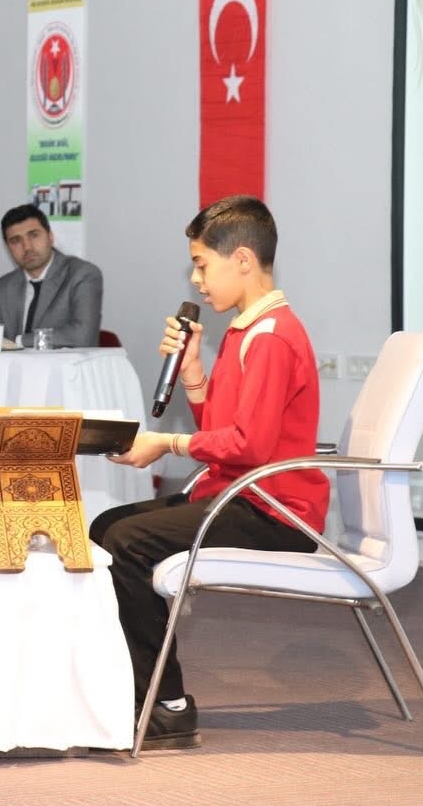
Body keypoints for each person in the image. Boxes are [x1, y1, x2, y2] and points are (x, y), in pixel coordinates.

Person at [90, 195, 328, 750]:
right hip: (239, 494)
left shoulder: (271, 336)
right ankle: (131, 686)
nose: (196, 280)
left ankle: (167, 704)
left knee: (126, 541)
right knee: (106, 527)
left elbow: (248, 445)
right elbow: (224, 433)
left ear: (242, 259)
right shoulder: (247, 331)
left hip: (276, 513)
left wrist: (164, 443)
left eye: (201, 265)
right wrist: (194, 370)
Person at [0, 204, 102, 347]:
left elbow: (82, 336)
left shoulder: (82, 274)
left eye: (34, 235)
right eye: (16, 241)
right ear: (8, 248)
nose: (27, 247)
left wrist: (21, 341)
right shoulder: (4, 286)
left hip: (65, 362)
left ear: (50, 237)